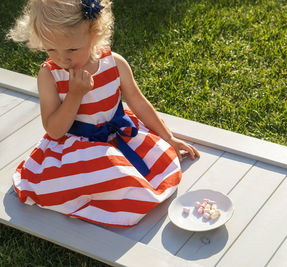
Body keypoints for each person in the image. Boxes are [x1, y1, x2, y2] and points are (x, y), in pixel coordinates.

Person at [7, 0, 199, 227]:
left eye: (71, 49)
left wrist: (169, 138)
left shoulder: (113, 63)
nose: (62, 58)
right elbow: (55, 130)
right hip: (76, 150)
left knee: (159, 162)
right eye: (51, 49)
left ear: (94, 35)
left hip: (119, 136)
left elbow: (138, 103)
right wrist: (75, 95)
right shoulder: (50, 76)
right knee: (112, 175)